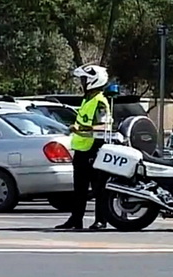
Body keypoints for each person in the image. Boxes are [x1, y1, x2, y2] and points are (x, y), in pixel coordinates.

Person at [55, 63, 111, 230]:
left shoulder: (100, 102)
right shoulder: (88, 99)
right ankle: (76, 219)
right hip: (82, 150)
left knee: (98, 188)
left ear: (94, 80)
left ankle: (101, 221)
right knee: (79, 189)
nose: (82, 82)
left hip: (94, 149)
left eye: (84, 79)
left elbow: (104, 126)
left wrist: (81, 129)